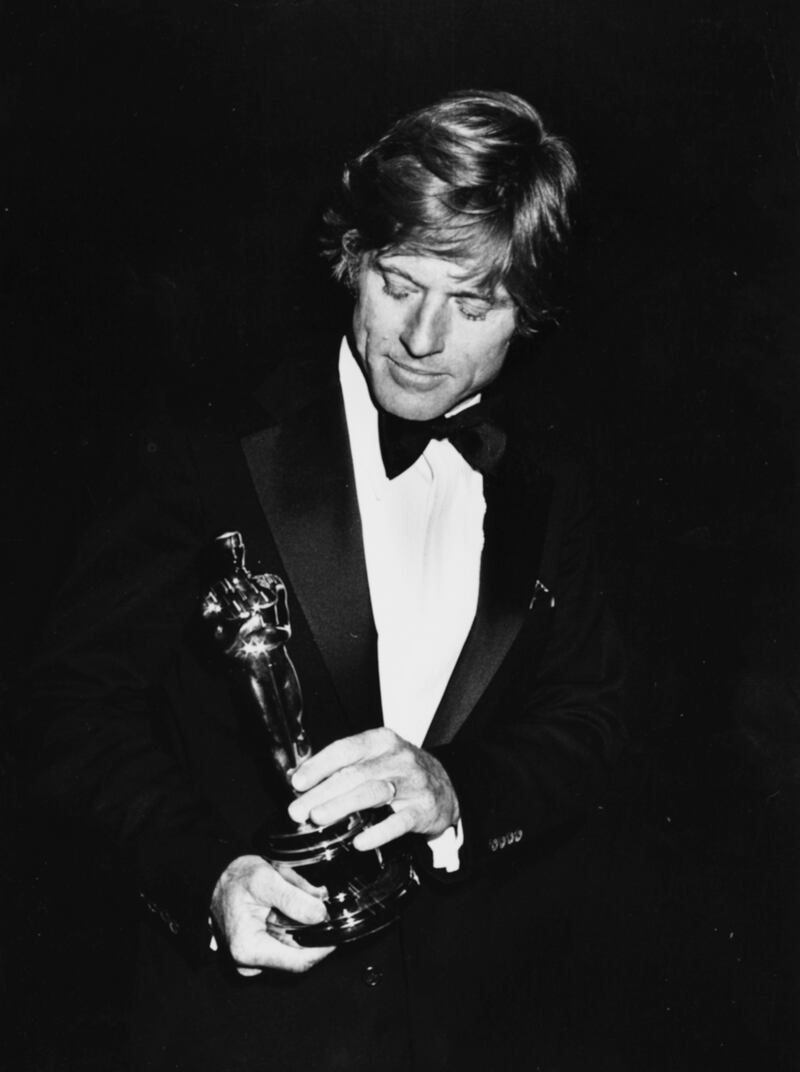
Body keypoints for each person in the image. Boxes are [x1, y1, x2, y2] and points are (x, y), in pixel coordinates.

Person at [21, 89, 625, 1070]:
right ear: (353, 260)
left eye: (472, 303)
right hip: (235, 1033)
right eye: (397, 282)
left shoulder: (550, 483)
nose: (422, 338)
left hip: (478, 1027)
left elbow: (585, 719)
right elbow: (71, 705)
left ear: (530, 311)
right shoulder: (204, 442)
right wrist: (206, 876)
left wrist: (455, 790)